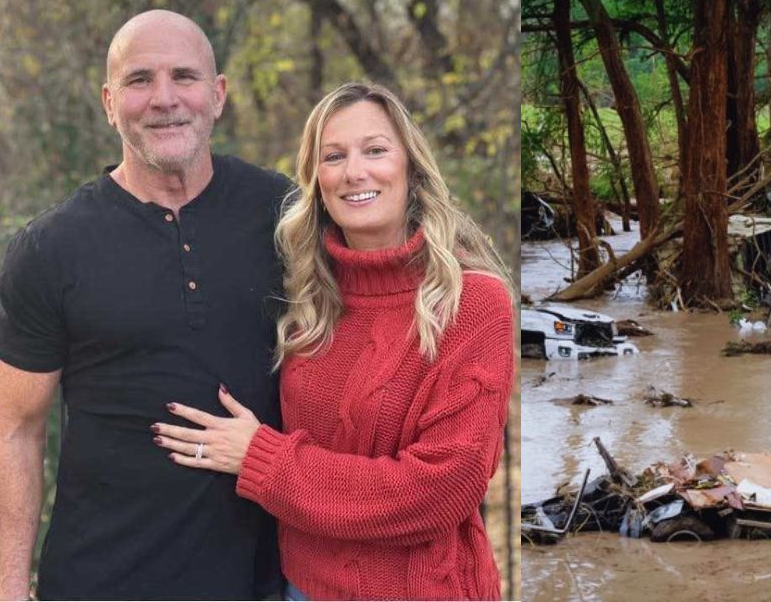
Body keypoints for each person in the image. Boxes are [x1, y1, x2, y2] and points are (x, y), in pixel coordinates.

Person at [151, 82, 515, 600]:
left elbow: (441, 491)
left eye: (375, 150)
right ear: (316, 179)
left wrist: (264, 459)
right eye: (334, 156)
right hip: (299, 588)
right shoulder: (307, 296)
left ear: (411, 166)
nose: (354, 173)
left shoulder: (472, 303)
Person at [0, 10, 287, 599]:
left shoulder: (283, 214)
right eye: (139, 80)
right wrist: (9, 591)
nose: (164, 99)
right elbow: (13, 430)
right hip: (102, 580)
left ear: (217, 95)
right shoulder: (52, 247)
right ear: (108, 101)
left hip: (264, 583)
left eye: (185, 77)